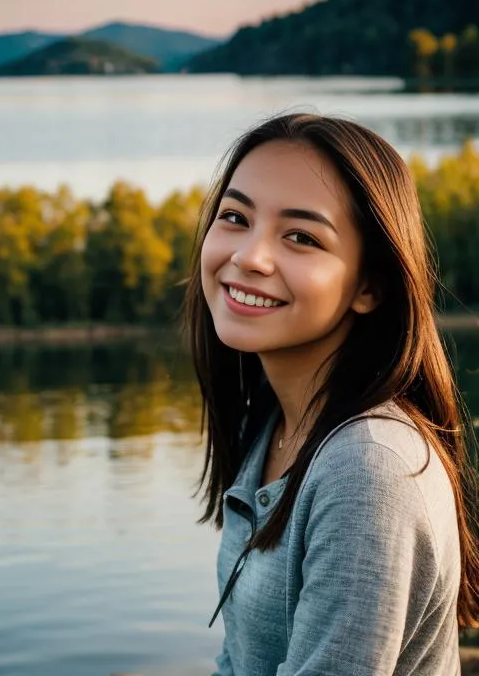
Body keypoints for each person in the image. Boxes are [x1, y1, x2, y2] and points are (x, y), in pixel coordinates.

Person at [183, 114, 479, 675]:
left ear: (370, 286)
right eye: (235, 217)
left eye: (301, 237)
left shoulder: (366, 470)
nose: (249, 256)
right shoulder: (274, 424)